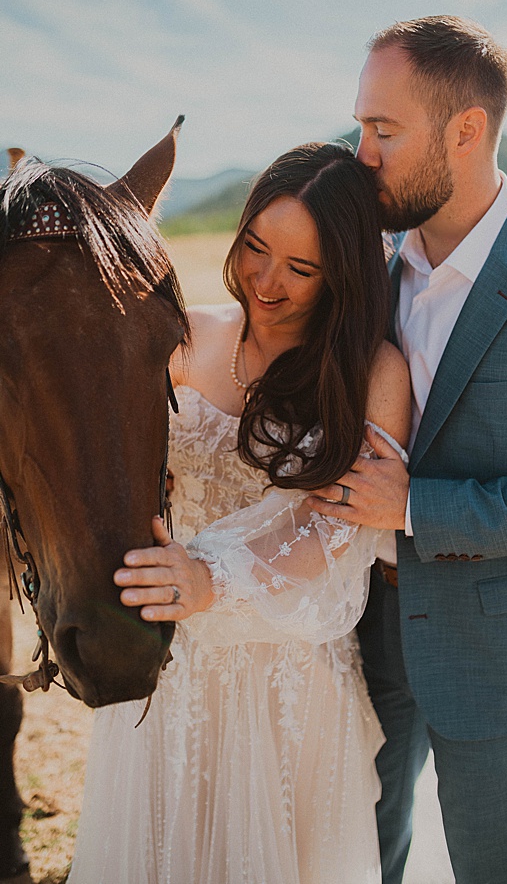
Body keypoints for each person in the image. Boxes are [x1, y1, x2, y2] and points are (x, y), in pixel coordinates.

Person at [303, 16, 507, 884]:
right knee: (364, 852)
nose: (361, 153)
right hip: (361, 623)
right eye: (361, 126)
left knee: (493, 867)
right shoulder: (369, 260)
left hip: (492, 642)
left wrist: (412, 507)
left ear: (465, 131)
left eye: (383, 131)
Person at [71, 142, 412, 883]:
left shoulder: (372, 372)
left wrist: (212, 584)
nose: (266, 279)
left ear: (342, 275)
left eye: (301, 267)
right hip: (169, 660)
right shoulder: (183, 335)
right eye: (256, 247)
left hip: (285, 667)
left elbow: (335, 534)